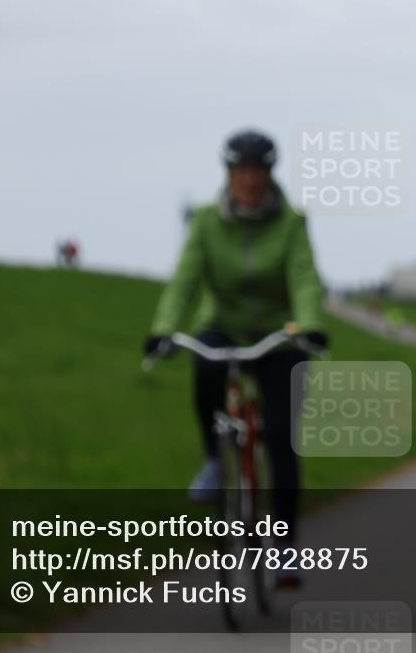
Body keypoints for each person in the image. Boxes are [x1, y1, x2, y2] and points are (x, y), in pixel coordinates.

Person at [143, 129, 327, 587]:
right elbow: (184, 280)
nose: (249, 179)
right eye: (241, 170)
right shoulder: (206, 221)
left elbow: (304, 277)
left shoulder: (291, 222)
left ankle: (284, 548)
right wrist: (163, 329)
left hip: (279, 336)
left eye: (258, 170)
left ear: (270, 173)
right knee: (204, 363)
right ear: (228, 173)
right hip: (222, 325)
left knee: (281, 437)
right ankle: (213, 460)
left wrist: (310, 325)